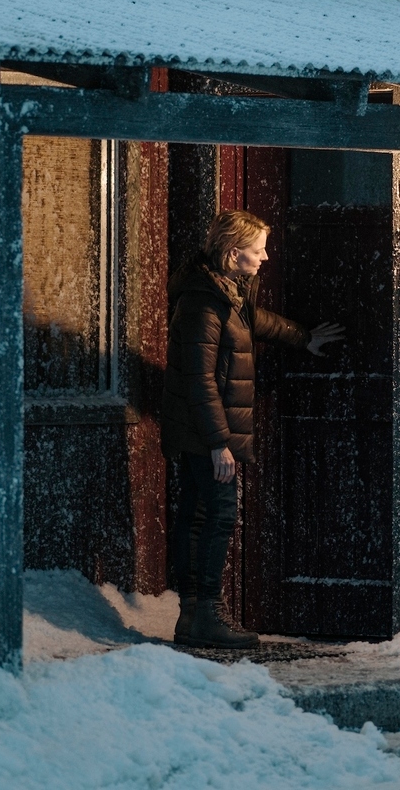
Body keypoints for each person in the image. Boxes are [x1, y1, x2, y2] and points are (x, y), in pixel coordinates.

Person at [160, 209, 344, 647]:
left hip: (200, 430)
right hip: (206, 432)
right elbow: (199, 378)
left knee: (199, 513)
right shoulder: (204, 302)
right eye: (258, 250)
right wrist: (218, 443)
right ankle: (207, 613)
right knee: (218, 514)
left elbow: (252, 323)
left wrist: (303, 337)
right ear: (233, 253)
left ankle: (192, 618)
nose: (265, 257)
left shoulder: (224, 294)